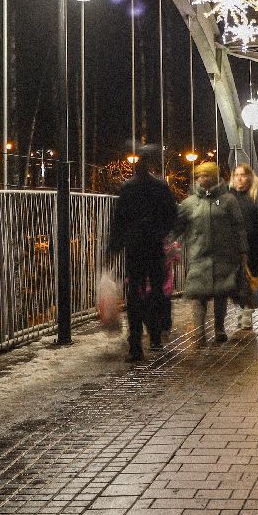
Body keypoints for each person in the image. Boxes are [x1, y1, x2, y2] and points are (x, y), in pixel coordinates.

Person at [107, 153, 179, 361]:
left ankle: (136, 345)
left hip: (134, 248)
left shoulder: (127, 188)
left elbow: (119, 221)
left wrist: (113, 248)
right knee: (156, 291)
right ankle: (155, 335)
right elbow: (172, 216)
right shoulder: (161, 187)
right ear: (152, 166)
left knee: (134, 294)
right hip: (155, 247)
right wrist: (163, 234)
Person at [174, 161, 249, 345]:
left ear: (214, 177)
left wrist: (243, 250)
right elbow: (177, 227)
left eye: (206, 175)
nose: (201, 178)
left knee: (221, 294)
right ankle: (200, 333)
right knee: (199, 295)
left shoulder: (228, 201)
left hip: (224, 255)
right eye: (199, 175)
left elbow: (239, 227)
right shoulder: (190, 203)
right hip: (199, 256)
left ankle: (219, 328)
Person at [227, 163, 258, 331]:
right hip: (232, 247)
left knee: (249, 279)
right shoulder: (228, 196)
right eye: (236, 175)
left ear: (249, 177)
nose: (239, 178)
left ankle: (247, 313)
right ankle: (240, 309)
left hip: (253, 247)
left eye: (243, 175)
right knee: (234, 281)